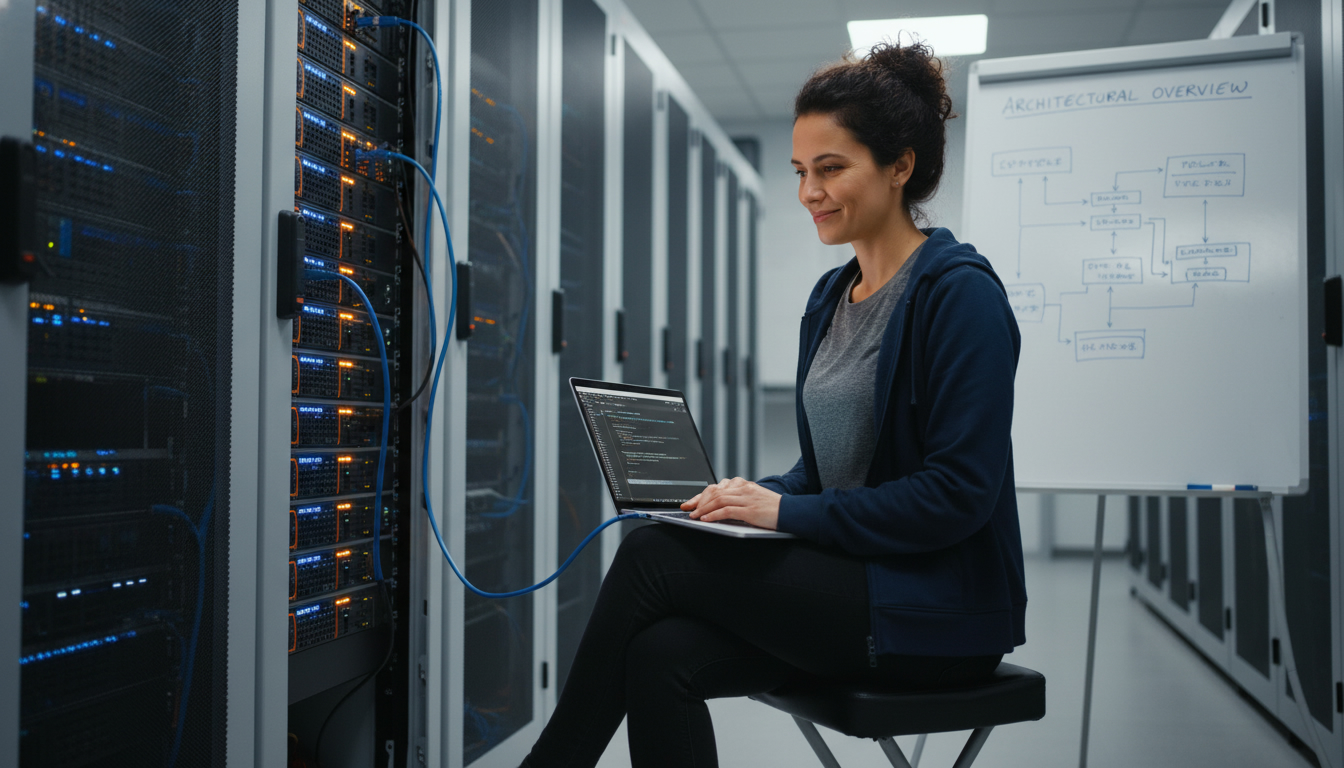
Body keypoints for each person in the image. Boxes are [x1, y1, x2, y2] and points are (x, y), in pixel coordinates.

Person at [521, 40, 1026, 768]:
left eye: (830, 169)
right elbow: (830, 473)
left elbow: (958, 496)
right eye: (800, 172)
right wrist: (751, 496)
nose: (808, 192)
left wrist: (786, 514)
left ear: (900, 166)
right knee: (659, 653)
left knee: (652, 554)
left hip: (935, 612)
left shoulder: (961, 297)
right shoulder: (831, 298)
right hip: (861, 588)